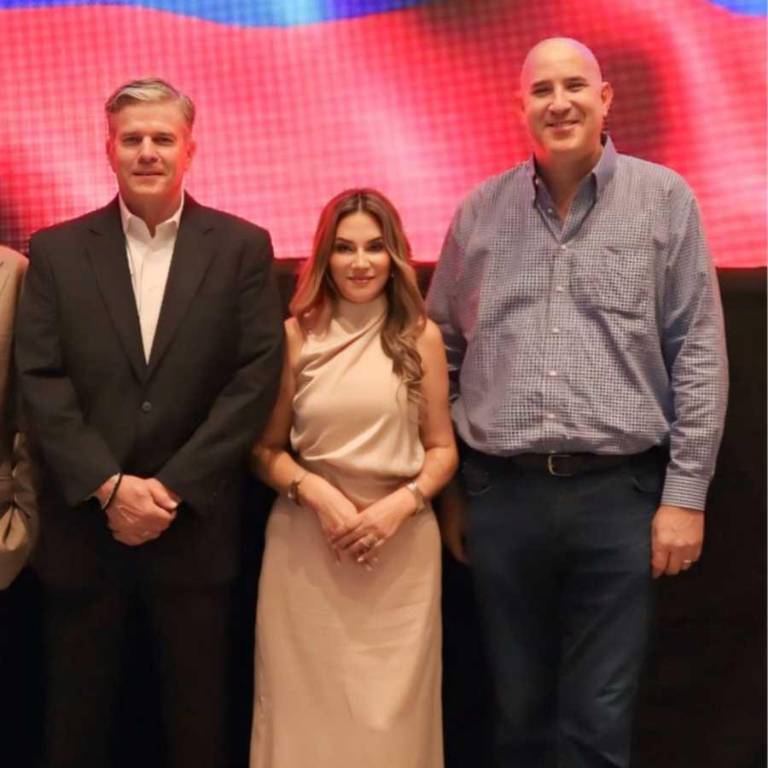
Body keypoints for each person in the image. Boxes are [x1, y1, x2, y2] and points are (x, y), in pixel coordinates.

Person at [427, 38, 728, 768]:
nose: (558, 103)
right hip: (501, 498)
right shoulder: (479, 213)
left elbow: (698, 353)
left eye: (574, 86)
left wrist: (685, 496)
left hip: (619, 498)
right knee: (516, 710)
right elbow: (438, 357)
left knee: (599, 717)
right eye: (541, 90)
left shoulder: (665, 200)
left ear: (605, 99)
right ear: (520, 106)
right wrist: (453, 493)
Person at [15, 78, 284, 768]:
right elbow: (39, 378)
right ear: (107, 148)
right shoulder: (55, 250)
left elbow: (254, 378)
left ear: (190, 149)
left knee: (197, 730)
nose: (147, 152)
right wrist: (109, 486)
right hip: (85, 530)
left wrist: (169, 489)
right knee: (74, 731)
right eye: (131, 138)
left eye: (163, 138)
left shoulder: (243, 247)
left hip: (191, 529)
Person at [249, 188, 457, 768]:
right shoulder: (296, 336)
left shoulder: (422, 336)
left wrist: (399, 506)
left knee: (391, 722)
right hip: (307, 549)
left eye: (374, 247)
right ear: (324, 256)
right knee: (302, 717)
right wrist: (317, 494)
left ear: (394, 256)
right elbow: (264, 451)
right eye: (344, 248)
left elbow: (443, 450)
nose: (360, 262)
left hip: (401, 553)